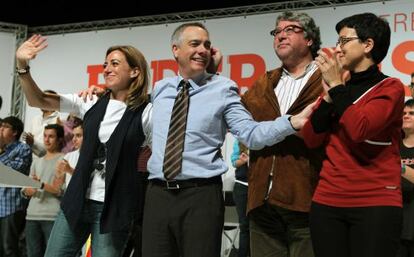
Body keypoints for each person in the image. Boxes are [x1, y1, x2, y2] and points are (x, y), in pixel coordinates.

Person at [142, 22, 315, 257]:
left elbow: (251, 134)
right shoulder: (162, 88)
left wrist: (291, 123)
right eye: (195, 44)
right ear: (175, 50)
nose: (202, 49)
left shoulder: (223, 89)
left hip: (199, 196)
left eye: (207, 45)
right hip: (157, 195)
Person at [15, 35, 152, 257]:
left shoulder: (146, 112)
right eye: (105, 64)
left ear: (135, 71)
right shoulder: (90, 101)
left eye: (115, 64)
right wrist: (22, 65)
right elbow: (37, 99)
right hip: (77, 202)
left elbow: (160, 152)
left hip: (114, 208)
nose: (107, 69)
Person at [301, 13, 404, 257]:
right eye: (337, 41)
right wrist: (328, 96)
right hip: (328, 199)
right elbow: (310, 138)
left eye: (344, 40)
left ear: (368, 45)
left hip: (375, 201)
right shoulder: (337, 89)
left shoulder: (390, 87)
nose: (337, 48)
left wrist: (336, 87)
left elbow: (360, 129)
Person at [241, 11, 323, 257]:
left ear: (309, 40)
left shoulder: (326, 78)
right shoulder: (265, 82)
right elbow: (243, 126)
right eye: (277, 31)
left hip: (306, 199)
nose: (281, 35)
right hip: (261, 202)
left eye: (290, 29)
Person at [21, 124, 65, 257]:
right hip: (32, 215)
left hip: (52, 216)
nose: (46, 140)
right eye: (45, 136)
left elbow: (61, 191)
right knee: (32, 254)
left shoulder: (64, 160)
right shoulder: (36, 162)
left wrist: (41, 185)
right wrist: (28, 190)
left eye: (51, 136)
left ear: (59, 140)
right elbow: (25, 189)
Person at [0, 116, 32, 257]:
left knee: (9, 248)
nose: (1, 129)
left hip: (11, 205)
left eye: (5, 126)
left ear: (15, 132)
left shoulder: (22, 148)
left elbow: (11, 172)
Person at [22, 90, 61, 158]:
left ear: (53, 102)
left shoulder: (59, 120)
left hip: (48, 160)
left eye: (43, 99)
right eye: (40, 99)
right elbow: (26, 140)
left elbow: (53, 148)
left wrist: (33, 142)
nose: (39, 101)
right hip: (31, 160)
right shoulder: (35, 119)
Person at [399, 99, 414, 257]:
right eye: (403, 113)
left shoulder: (392, 157)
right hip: (396, 225)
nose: (406, 116)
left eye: (411, 113)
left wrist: (398, 166)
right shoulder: (392, 146)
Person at [230, 139, 249, 257]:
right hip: (242, 187)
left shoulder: (265, 138)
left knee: (259, 226)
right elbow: (234, 162)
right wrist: (242, 161)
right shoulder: (240, 140)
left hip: (260, 188)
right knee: (245, 226)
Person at [55, 121, 83, 188]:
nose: (74, 139)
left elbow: (85, 178)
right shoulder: (69, 156)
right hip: (69, 193)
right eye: (73, 136)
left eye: (78, 135)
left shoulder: (94, 157)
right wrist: (58, 172)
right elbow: (59, 181)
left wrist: (70, 170)